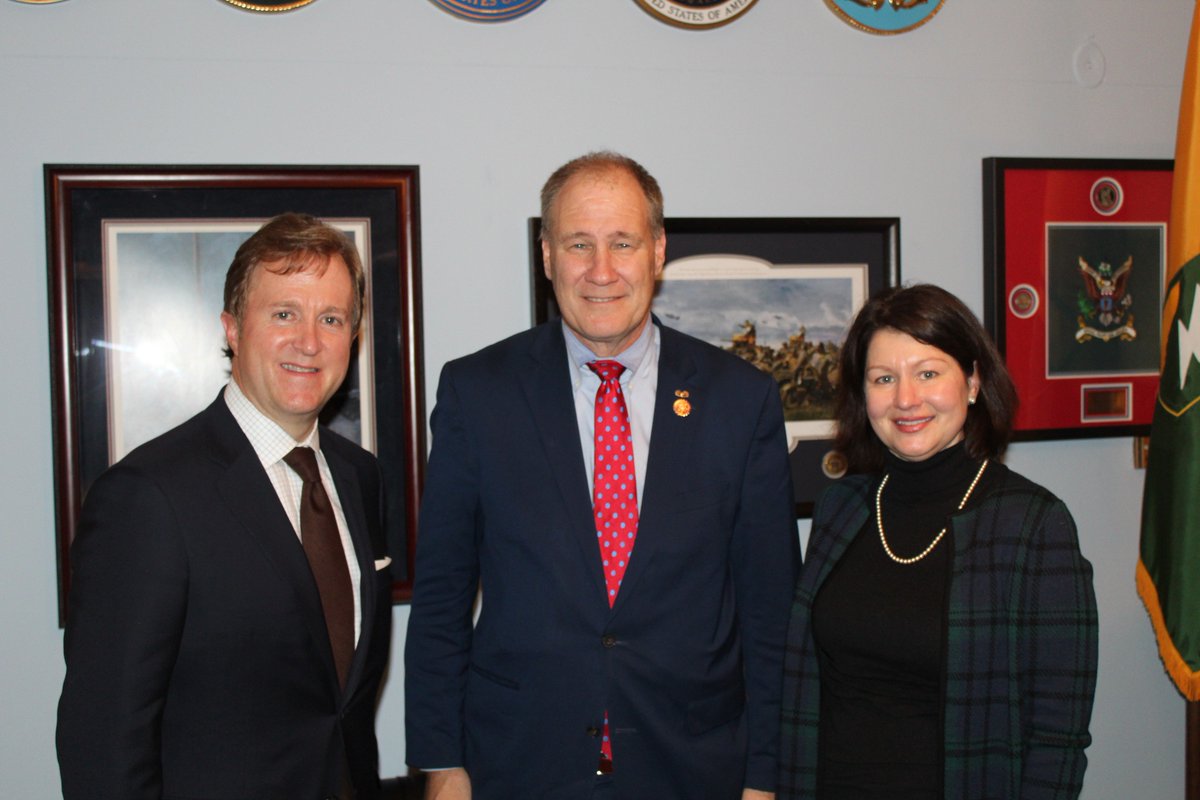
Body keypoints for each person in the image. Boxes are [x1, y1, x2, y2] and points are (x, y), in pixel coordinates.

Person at [404, 151, 799, 799]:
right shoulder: (478, 393)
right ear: (547, 256)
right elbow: (442, 600)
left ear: (658, 251)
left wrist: (765, 776)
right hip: (519, 762)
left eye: (622, 243)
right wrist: (441, 762)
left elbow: (770, 612)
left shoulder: (740, 399)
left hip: (694, 765)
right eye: (578, 244)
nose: (601, 270)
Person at [57, 213, 394, 800]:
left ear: (353, 335)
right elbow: (103, 742)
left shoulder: (359, 477)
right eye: (284, 314)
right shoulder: (148, 496)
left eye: (331, 319)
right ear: (233, 328)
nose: (309, 341)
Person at [777, 284, 1099, 799]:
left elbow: (1058, 738)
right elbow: (804, 686)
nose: (905, 399)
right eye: (884, 378)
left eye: (928, 373)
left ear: (972, 382)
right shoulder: (841, 508)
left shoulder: (1034, 524)